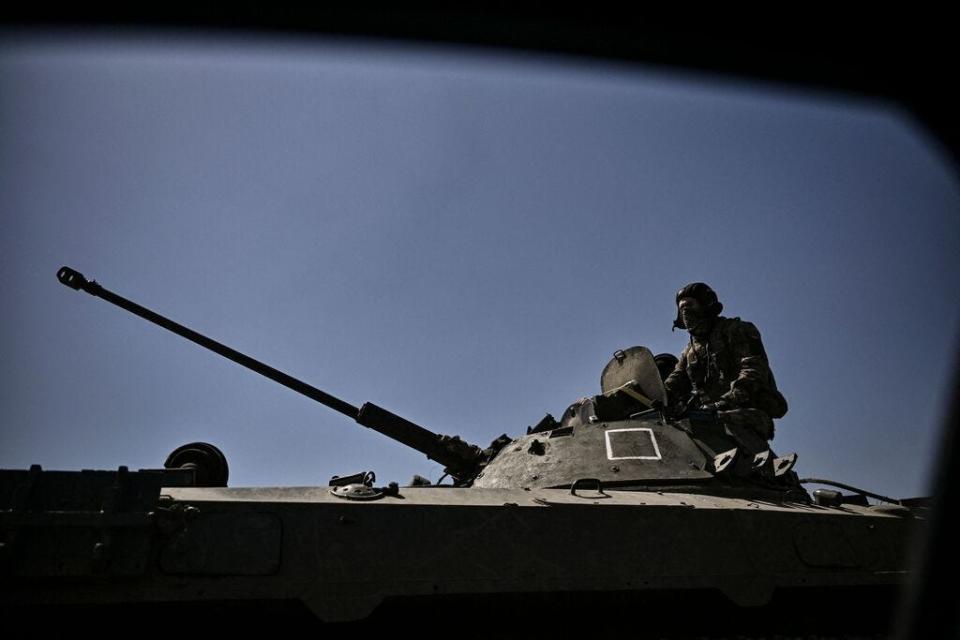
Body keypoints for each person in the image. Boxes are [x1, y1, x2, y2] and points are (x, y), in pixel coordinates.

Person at [663, 283, 787, 441]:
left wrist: (725, 402)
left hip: (746, 413)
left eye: (690, 305)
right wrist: (657, 396)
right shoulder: (689, 352)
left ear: (706, 305)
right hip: (704, 417)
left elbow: (753, 371)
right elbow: (675, 380)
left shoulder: (736, 330)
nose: (685, 312)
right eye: (681, 309)